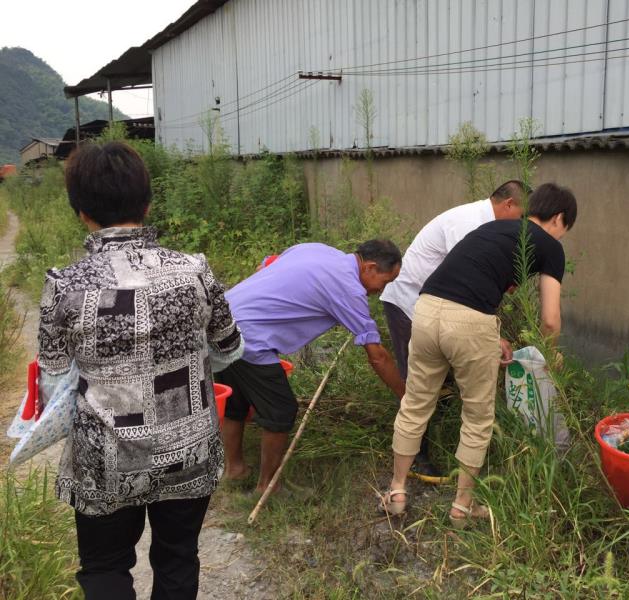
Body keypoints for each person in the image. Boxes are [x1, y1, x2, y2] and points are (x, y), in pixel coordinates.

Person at [37, 141, 243, 600]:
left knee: (105, 567)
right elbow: (230, 350)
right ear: (147, 203)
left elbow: (53, 384)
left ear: (80, 211)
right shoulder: (194, 271)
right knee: (176, 558)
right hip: (187, 452)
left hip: (103, 458)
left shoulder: (64, 286)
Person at [381, 183, 577, 526]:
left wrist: (493, 334)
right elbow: (549, 320)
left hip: (425, 310)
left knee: (415, 404)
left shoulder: (491, 228)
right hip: (468, 322)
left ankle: (396, 491)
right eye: (565, 229)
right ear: (559, 218)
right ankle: (462, 506)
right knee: (477, 416)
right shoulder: (550, 247)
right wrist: (550, 354)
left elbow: (474, 281)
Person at [219, 240, 406, 494]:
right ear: (370, 267)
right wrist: (406, 398)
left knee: (236, 401)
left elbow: (267, 264)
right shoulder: (348, 288)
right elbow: (378, 357)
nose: (381, 290)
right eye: (385, 282)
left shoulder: (318, 250)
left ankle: (235, 470)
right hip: (250, 337)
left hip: (221, 322)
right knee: (281, 410)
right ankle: (268, 488)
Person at [380, 180, 527, 483]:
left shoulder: (485, 224)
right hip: (411, 305)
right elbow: (466, 285)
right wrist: (489, 335)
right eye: (521, 216)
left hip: (436, 309)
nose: (521, 226)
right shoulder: (471, 223)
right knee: (418, 385)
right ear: (509, 204)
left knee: (440, 381)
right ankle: (416, 459)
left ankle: (433, 443)